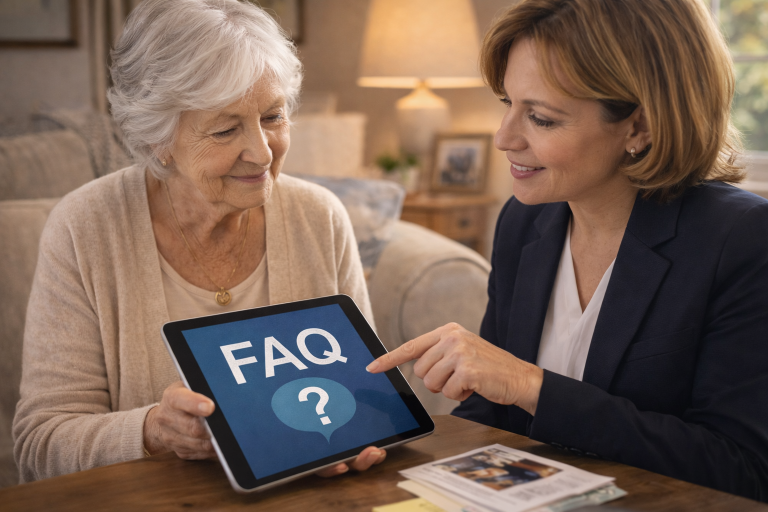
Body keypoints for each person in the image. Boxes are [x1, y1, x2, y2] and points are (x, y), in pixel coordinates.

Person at [368, 0, 768, 501]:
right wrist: (391, 443)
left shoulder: (742, 239)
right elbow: (492, 413)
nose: (504, 137)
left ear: (639, 128)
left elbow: (743, 471)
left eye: (540, 118)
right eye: (506, 104)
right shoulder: (527, 220)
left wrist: (532, 386)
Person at [13, 0, 385, 482]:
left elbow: (365, 394)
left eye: (272, 117)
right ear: (157, 141)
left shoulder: (320, 216)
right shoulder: (84, 228)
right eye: (227, 129)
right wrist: (152, 430)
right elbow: (40, 444)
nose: (261, 151)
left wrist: (359, 433)